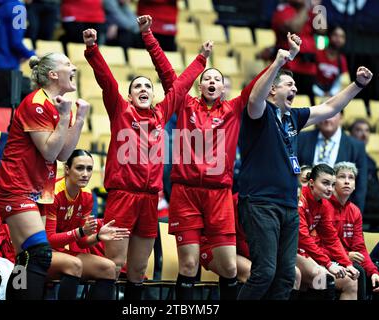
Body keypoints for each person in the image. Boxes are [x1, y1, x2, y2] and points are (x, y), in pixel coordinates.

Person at [138, 15, 270, 300]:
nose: (211, 82)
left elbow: (256, 87)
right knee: (188, 263)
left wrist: (282, 59)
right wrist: (149, 36)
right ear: (199, 87)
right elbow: (166, 73)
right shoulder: (185, 104)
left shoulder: (234, 109)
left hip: (219, 196)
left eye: (216, 80)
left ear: (223, 88)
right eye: (207, 79)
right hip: (186, 193)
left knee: (229, 266)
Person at [236, 27, 372, 299]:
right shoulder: (258, 113)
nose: (295, 89)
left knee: (286, 276)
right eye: (289, 85)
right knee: (264, 272)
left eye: (296, 86)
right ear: (273, 89)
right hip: (261, 203)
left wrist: (357, 85)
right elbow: (253, 98)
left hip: (288, 206)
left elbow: (329, 108)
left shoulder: (293, 118)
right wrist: (280, 61)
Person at [83, 27, 211, 300]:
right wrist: (93, 50)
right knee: (113, 266)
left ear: (153, 95)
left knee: (138, 270)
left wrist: (201, 60)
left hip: (150, 200)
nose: (143, 89)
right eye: (137, 86)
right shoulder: (120, 110)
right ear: (129, 96)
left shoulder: (161, 113)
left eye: (147, 87)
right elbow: (107, 81)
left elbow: (181, 85)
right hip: (122, 198)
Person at [0, 52, 90, 300]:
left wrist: (78, 120)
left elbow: (64, 155)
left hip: (37, 191)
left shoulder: (56, 104)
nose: (74, 66)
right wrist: (66, 115)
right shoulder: (37, 102)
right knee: (39, 253)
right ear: (53, 74)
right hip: (15, 187)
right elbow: (49, 151)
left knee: (26, 256)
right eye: (68, 63)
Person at [44, 149, 129, 300]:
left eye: (89, 169)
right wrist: (81, 232)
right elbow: (49, 239)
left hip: (63, 253)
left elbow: (82, 242)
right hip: (42, 252)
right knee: (74, 264)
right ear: (67, 169)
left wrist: (98, 236)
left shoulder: (87, 196)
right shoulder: (53, 193)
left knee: (109, 268)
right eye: (80, 168)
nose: (85, 174)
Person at [297, 164, 359, 300]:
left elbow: (331, 238)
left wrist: (347, 263)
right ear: (312, 183)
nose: (330, 189)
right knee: (322, 278)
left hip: (308, 253)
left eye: (332, 184)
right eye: (325, 183)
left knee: (351, 282)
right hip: (289, 250)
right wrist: (328, 264)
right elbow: (302, 238)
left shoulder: (324, 203)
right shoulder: (299, 200)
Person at [326, 161, 379, 299]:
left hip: (345, 260)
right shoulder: (323, 206)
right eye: (342, 177)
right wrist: (346, 255)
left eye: (351, 178)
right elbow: (318, 243)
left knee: (373, 277)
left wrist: (374, 271)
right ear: (333, 182)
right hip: (324, 259)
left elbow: (360, 248)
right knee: (358, 272)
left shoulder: (355, 211)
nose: (347, 181)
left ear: (355, 185)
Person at [297, 111, 368, 211]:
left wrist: (353, 214)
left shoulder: (356, 146)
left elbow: (361, 185)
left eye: (332, 115)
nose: (327, 119)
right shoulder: (301, 138)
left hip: (338, 209)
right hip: (303, 206)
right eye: (324, 115)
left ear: (341, 118)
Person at [0, 0, 36, 108]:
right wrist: (32, 55)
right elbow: (16, 42)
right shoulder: (18, 9)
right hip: (7, 67)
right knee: (6, 113)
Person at [271, 0, 319, 105]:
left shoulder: (311, 11)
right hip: (289, 67)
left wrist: (319, 8)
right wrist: (307, 7)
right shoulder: (283, 10)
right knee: (286, 102)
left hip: (308, 67)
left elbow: (322, 29)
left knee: (307, 105)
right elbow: (294, 28)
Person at [349, 118, 379, 225]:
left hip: (372, 211)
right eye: (359, 130)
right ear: (350, 134)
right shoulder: (347, 156)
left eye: (367, 131)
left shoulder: (371, 161)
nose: (364, 134)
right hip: (353, 211)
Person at [313, 26, 349, 98]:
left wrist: (333, 94)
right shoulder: (317, 54)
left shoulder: (342, 59)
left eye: (342, 37)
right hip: (315, 92)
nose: (338, 39)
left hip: (332, 95)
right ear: (329, 36)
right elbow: (310, 77)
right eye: (335, 35)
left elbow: (345, 81)